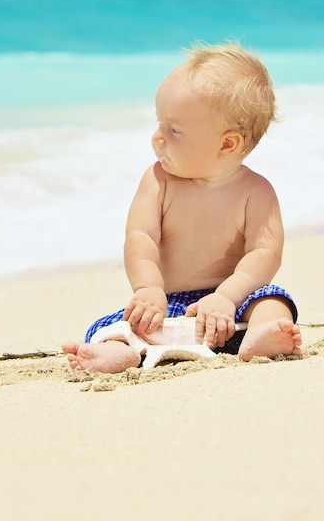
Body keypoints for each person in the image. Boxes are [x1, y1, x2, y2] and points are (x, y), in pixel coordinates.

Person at [63, 42, 301, 373]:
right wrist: (148, 289)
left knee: (272, 300)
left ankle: (261, 338)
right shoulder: (157, 180)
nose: (157, 137)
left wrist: (225, 297)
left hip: (227, 312)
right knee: (115, 325)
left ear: (227, 143)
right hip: (165, 306)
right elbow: (140, 236)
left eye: (174, 130)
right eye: (159, 122)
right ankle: (121, 353)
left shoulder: (256, 191)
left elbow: (264, 254)